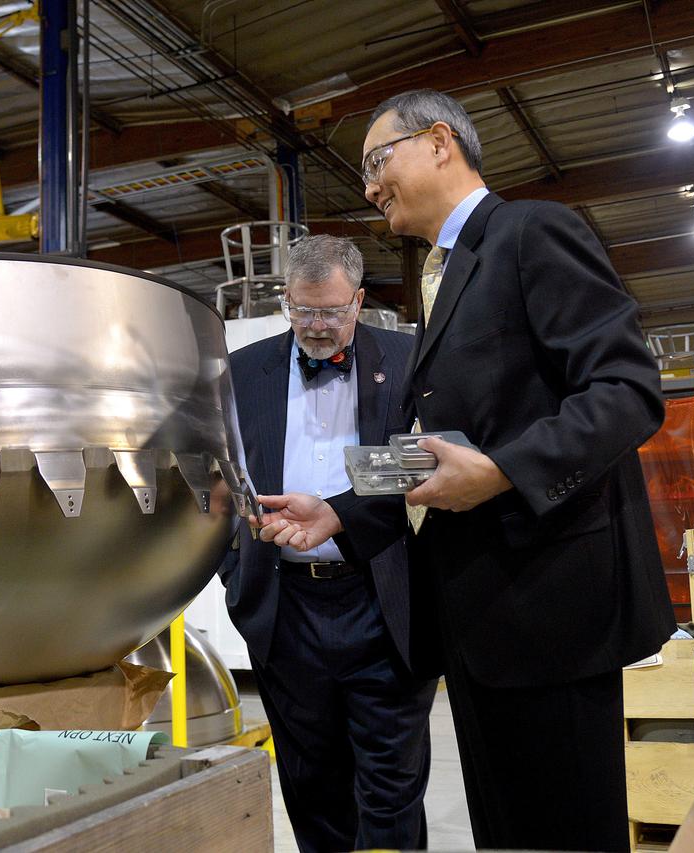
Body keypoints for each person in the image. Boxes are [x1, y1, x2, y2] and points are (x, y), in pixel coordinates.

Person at [256, 89, 675, 851]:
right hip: (481, 624)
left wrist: (503, 471)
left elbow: (626, 391)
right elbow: (441, 448)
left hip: (551, 615)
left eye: (378, 161)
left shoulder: (530, 232)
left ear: (440, 142)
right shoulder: (445, 274)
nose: (369, 186)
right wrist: (341, 512)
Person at [219, 234, 436, 852]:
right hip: (285, 609)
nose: (317, 326)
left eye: (333, 311)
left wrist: (338, 514)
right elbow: (216, 477)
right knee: (311, 786)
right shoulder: (244, 371)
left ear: (360, 300)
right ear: (287, 300)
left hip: (384, 600)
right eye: (303, 310)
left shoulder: (408, 356)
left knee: (391, 790)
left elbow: (422, 464)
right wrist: (236, 577)